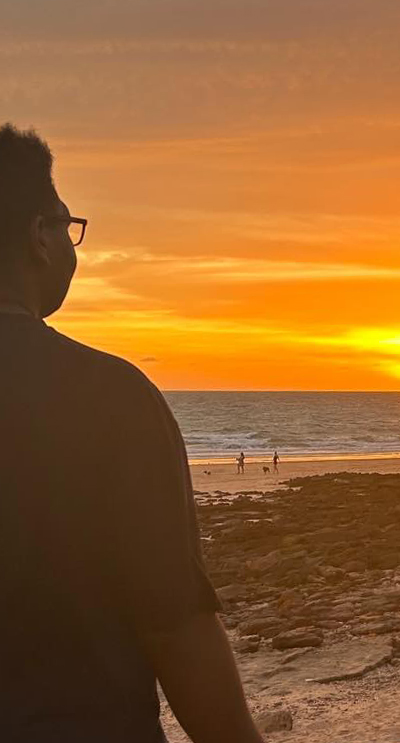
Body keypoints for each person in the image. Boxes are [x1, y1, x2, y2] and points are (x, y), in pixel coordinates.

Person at [0, 124, 262, 743]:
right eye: (68, 226)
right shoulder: (108, 398)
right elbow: (175, 623)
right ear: (39, 237)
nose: (72, 245)